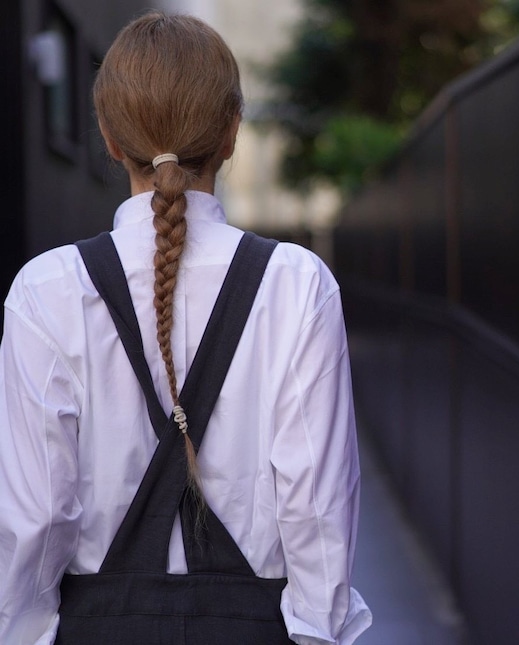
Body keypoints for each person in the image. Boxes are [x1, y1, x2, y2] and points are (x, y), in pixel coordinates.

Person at [0, 11, 371, 645]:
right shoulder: (297, 284)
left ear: (110, 139)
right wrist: (319, 634)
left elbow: (36, 518)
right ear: (231, 134)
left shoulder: (46, 290)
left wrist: (25, 633)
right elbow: (318, 509)